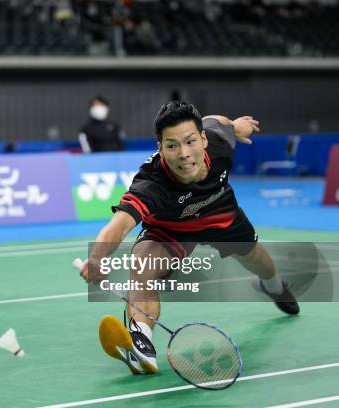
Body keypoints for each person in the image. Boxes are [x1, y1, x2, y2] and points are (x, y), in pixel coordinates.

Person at [75, 101, 299, 374]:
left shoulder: (218, 142)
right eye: (171, 145)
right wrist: (97, 257)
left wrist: (236, 125)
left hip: (221, 214)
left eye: (190, 141)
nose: (183, 153)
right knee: (141, 264)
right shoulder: (152, 182)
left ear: (203, 139)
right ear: (160, 148)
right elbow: (120, 224)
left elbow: (218, 120)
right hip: (172, 229)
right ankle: (141, 342)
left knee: (259, 261)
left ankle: (274, 287)